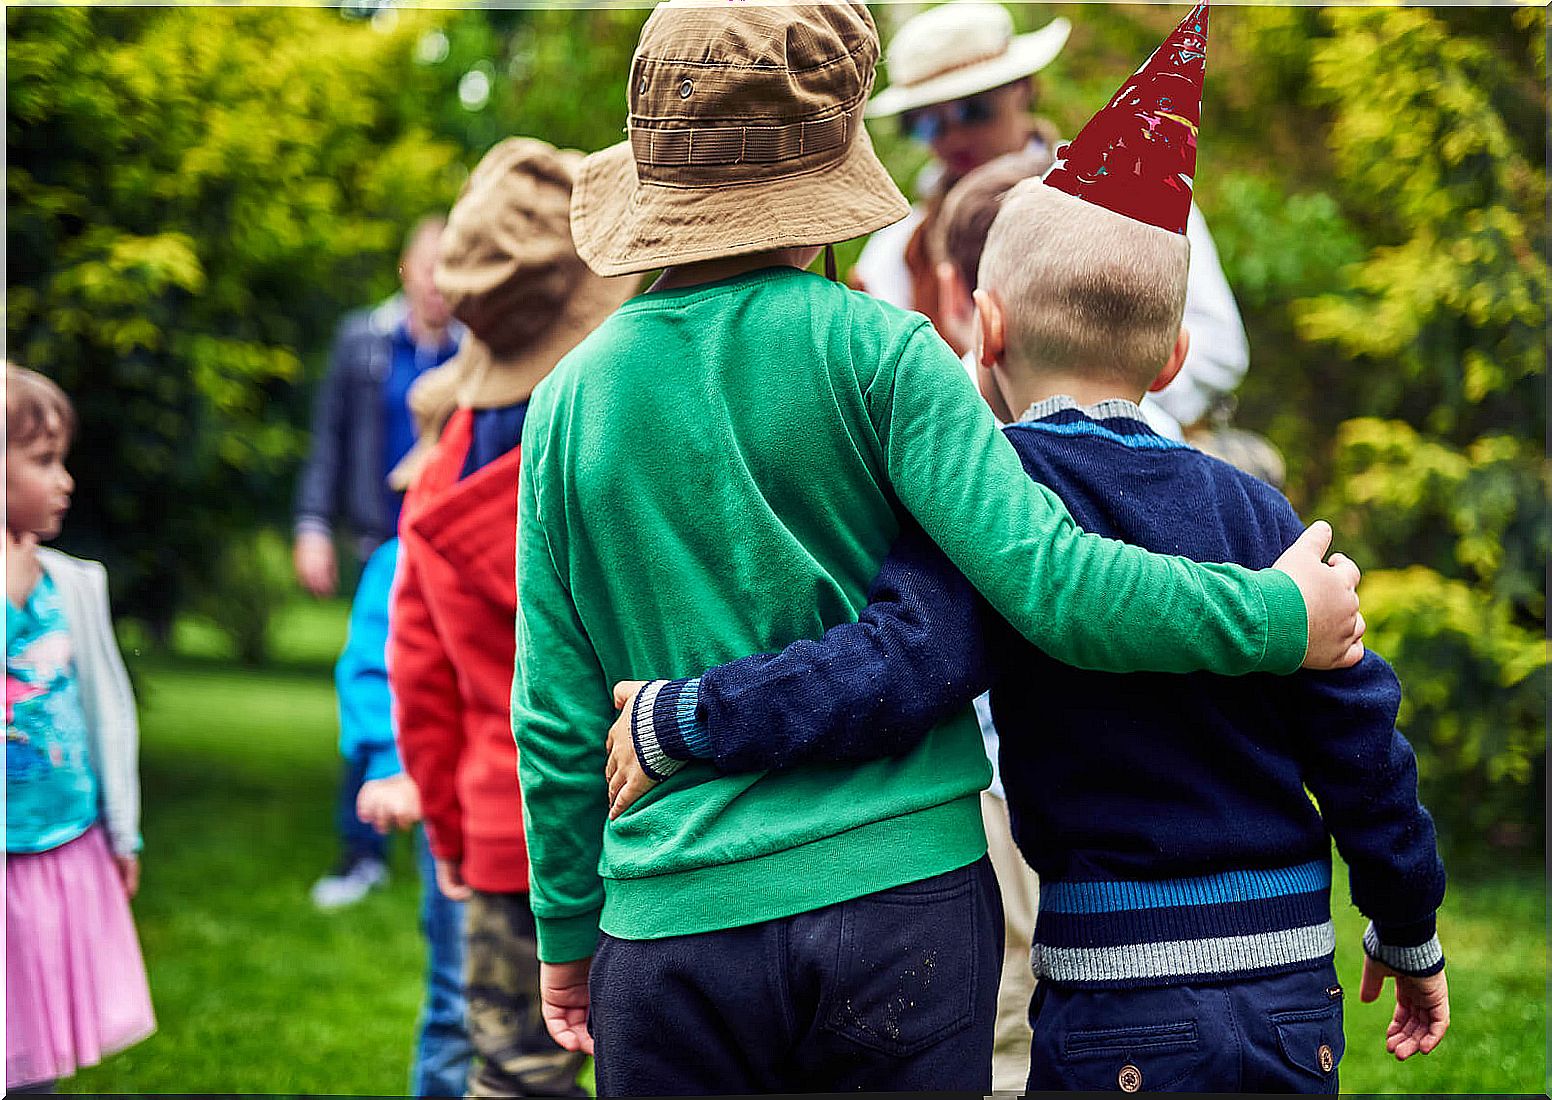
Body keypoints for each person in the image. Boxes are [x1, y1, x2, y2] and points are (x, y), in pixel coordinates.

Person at [512, 2, 1364, 1094]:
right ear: (822, 177)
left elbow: (552, 706)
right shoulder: (887, 351)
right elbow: (1051, 583)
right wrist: (1278, 616)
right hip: (902, 908)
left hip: (671, 921)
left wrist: (566, 931)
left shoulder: (566, 402)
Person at [389, 138, 634, 1098]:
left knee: (512, 1071)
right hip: (652, 816)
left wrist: (449, 836)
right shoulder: (619, 455)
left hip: (504, 844)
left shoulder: (437, 481)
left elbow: (421, 682)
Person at [854, 0, 1248, 442]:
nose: (952, 136)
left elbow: (1218, 350)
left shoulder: (1127, 195)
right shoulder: (901, 246)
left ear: (1024, 89)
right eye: (925, 123)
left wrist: (1100, 406)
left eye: (972, 110)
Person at [295, 217, 462, 910]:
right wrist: (311, 525)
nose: (437, 282)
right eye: (428, 266)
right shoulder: (363, 341)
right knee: (373, 677)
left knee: (442, 687)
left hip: (450, 542)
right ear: (405, 268)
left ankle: (445, 840)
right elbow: (329, 440)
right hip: (382, 539)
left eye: (450, 270)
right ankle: (362, 844)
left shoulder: (472, 353)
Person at [7, 364, 156, 1092]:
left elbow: (111, 714)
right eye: (41, 461)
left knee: (38, 1036)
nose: (63, 480)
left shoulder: (76, 585)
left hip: (63, 844)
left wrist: (121, 830)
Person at [337, 538, 474, 1098]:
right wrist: (394, 760)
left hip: (561, 804)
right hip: (460, 806)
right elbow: (377, 660)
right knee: (459, 996)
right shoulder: (411, 551)